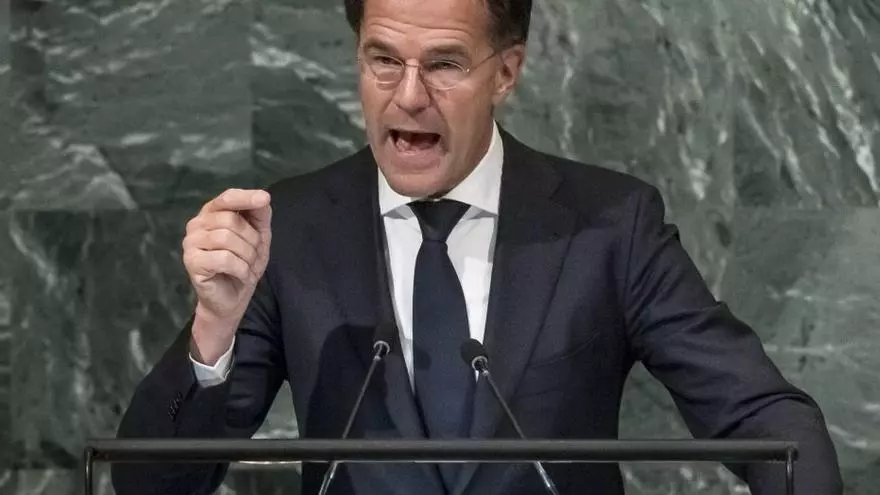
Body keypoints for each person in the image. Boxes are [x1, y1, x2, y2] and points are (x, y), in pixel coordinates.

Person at [112, 0, 843, 493]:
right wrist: (214, 330)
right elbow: (151, 481)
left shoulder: (609, 225)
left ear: (507, 72)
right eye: (383, 59)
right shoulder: (294, 230)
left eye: (444, 64)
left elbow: (766, 418)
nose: (407, 96)